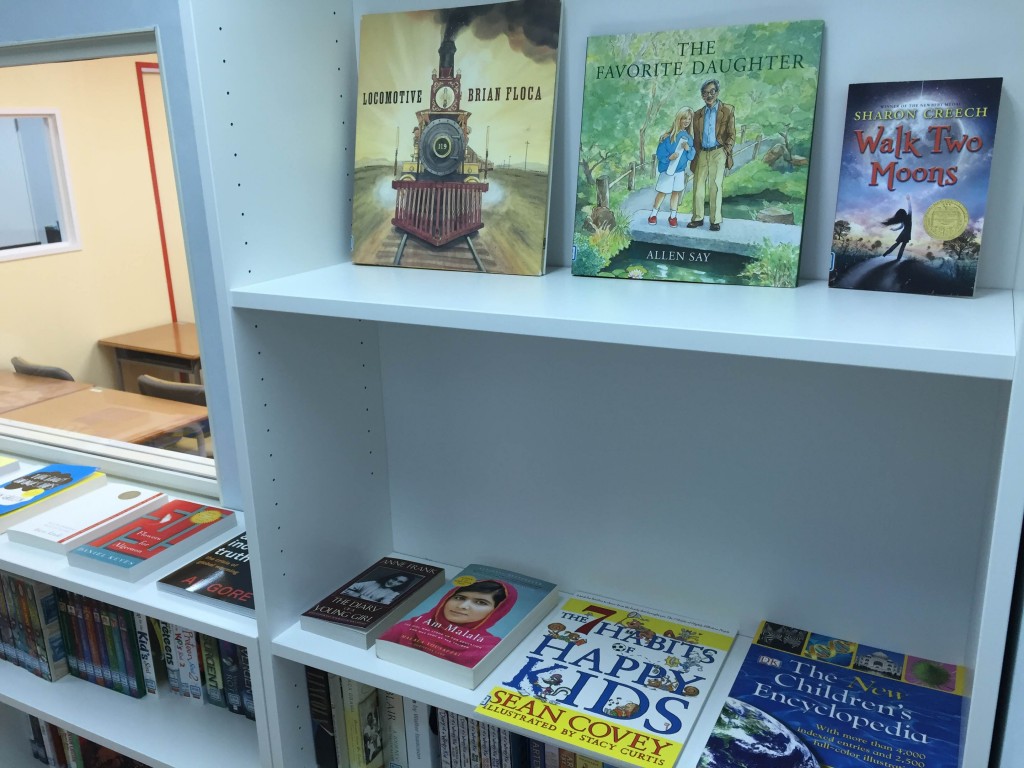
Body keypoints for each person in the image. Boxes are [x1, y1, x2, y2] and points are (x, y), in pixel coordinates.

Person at [377, 579, 516, 667]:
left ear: (497, 611)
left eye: (480, 602)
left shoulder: (491, 648)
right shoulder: (408, 627)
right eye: (459, 597)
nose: (462, 606)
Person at [687, 78, 736, 232]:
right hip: (701, 152)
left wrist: (726, 150)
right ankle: (697, 218)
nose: (709, 95)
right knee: (698, 186)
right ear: (702, 95)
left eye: (712, 92)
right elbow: (690, 134)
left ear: (717, 92)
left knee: (715, 186)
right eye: (705, 93)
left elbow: (732, 134)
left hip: (718, 151)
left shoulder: (727, 110)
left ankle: (715, 221)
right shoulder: (697, 114)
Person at [648, 108, 695, 227]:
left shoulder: (689, 138)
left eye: (689, 119)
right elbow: (660, 154)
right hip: (667, 170)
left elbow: (691, 156)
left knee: (676, 193)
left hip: (679, 171)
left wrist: (688, 149)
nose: (687, 121)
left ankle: (673, 216)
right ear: (679, 119)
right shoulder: (667, 137)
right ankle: (653, 214)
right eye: (684, 118)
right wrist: (669, 157)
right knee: (662, 192)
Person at [341, 572, 412, 605]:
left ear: (402, 585)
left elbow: (383, 606)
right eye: (394, 579)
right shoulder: (373, 582)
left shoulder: (393, 594)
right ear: (390, 577)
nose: (393, 582)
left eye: (399, 582)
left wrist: (360, 596)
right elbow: (346, 587)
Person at [881, 195, 912, 261]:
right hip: (907, 234)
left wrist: (894, 229)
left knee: (897, 244)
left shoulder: (903, 219)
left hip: (903, 233)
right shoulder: (909, 216)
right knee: (902, 246)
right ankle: (898, 259)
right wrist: (908, 200)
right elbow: (910, 208)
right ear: (905, 213)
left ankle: (885, 254)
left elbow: (901, 227)